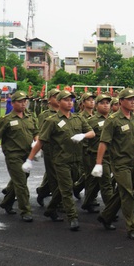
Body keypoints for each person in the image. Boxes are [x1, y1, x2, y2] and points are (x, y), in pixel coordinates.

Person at [27, 90, 95, 231]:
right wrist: (30, 159)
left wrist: (83, 135)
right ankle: (72, 217)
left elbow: (92, 133)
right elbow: (41, 140)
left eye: (71, 100)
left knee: (68, 185)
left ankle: (51, 208)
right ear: (59, 102)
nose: (70, 102)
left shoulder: (78, 118)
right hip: (61, 160)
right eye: (66, 100)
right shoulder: (52, 121)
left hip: (77, 159)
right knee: (66, 189)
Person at [93, 88, 134, 240]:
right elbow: (104, 142)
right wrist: (98, 163)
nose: (133, 102)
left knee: (122, 192)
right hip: (120, 163)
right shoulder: (113, 120)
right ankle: (132, 227)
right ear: (121, 101)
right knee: (128, 194)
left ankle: (106, 216)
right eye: (130, 99)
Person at [0, 90, 37, 221]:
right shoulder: (6, 120)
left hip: (27, 155)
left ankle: (6, 202)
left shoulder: (30, 118)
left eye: (25, 101)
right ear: (13, 103)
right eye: (20, 101)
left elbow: (36, 132)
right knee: (21, 183)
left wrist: (36, 143)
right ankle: (25, 211)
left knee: (20, 180)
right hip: (13, 155)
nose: (23, 104)